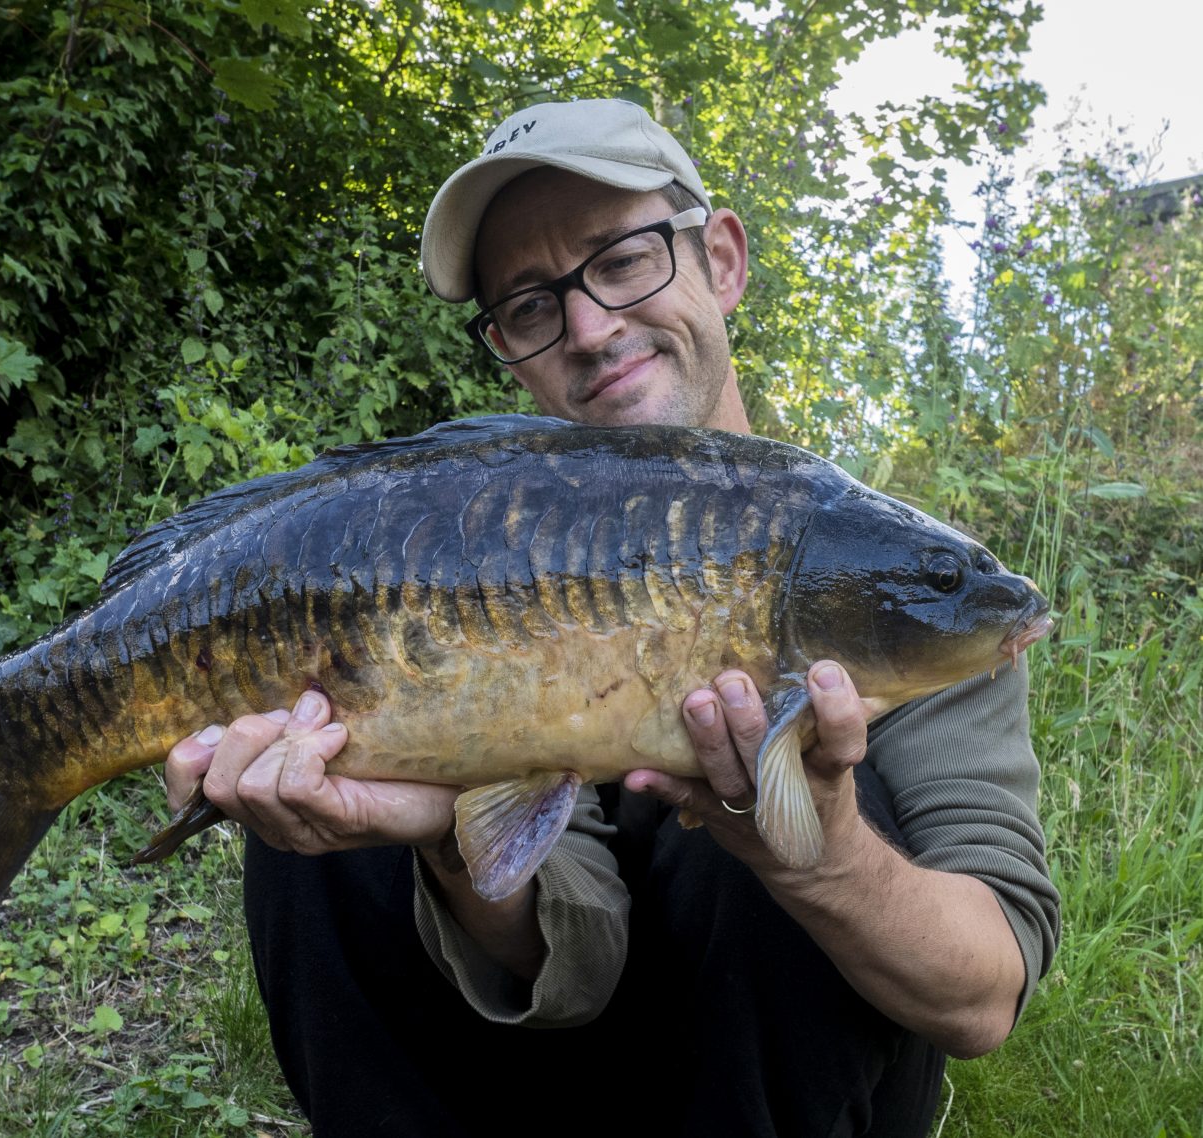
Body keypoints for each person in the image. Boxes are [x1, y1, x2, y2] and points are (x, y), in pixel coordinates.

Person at [163, 99, 1059, 1136]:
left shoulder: (890, 564)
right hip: (542, 1048)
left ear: (721, 259)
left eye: (624, 259)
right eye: (531, 306)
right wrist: (445, 839)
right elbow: (573, 967)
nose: (590, 330)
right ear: (510, 350)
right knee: (326, 799)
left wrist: (819, 857)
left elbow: (983, 995)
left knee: (785, 812)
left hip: (774, 1077)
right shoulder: (465, 548)